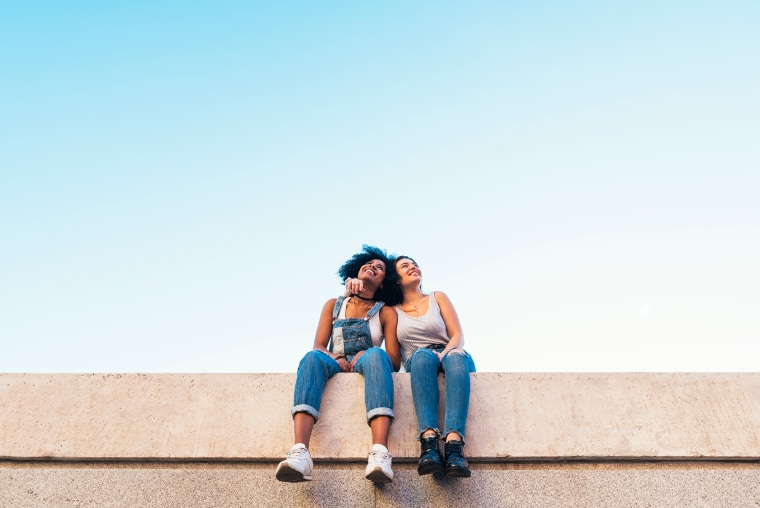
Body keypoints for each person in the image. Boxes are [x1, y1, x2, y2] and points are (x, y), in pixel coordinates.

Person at [276, 245, 402, 484]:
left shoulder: (385, 312)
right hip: (335, 360)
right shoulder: (335, 304)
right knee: (311, 358)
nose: (372, 267)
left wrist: (367, 351)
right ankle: (300, 452)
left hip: (367, 360)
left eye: (379, 268)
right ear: (356, 270)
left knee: (377, 355)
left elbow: (393, 361)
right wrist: (336, 358)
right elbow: (319, 346)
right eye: (368, 264)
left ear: (385, 282)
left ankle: (380, 453)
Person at [348, 254, 475, 477]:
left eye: (415, 264)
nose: (413, 267)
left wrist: (443, 354)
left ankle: (454, 447)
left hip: (450, 352)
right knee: (422, 356)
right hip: (418, 360)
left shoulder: (438, 297)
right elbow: (359, 312)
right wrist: (349, 288)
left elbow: (458, 336)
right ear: (396, 278)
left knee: (455, 356)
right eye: (405, 266)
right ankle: (429, 443)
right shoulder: (391, 310)